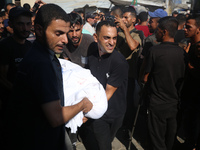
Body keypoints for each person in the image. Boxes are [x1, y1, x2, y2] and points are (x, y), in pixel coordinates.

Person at [4, 4, 93, 150]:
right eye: (58, 33)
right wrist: (83, 104)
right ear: (39, 30)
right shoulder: (41, 64)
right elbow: (56, 117)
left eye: (66, 33)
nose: (65, 40)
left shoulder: (41, 55)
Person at [79, 20, 129, 150]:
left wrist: (86, 113)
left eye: (114, 38)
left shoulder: (119, 63)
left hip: (112, 113)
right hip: (98, 113)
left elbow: (107, 94)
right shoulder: (92, 50)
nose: (111, 42)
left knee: (105, 144)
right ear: (96, 37)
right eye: (107, 38)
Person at [143, 16, 186, 150]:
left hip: (157, 104)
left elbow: (145, 78)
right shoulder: (182, 53)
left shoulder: (154, 51)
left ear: (165, 31)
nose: (156, 32)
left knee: (157, 141)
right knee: (169, 140)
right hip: (174, 104)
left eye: (158, 30)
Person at [115, 6, 142, 133]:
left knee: (129, 104)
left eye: (126, 17)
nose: (123, 20)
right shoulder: (118, 32)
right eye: (122, 17)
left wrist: (124, 29)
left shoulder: (137, 33)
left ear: (134, 19)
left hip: (129, 75)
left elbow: (132, 46)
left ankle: (127, 129)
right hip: (116, 73)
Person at [179, 14, 200, 150]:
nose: (185, 29)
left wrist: (188, 63)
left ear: (198, 29)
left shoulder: (198, 48)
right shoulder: (192, 46)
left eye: (188, 27)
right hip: (189, 96)